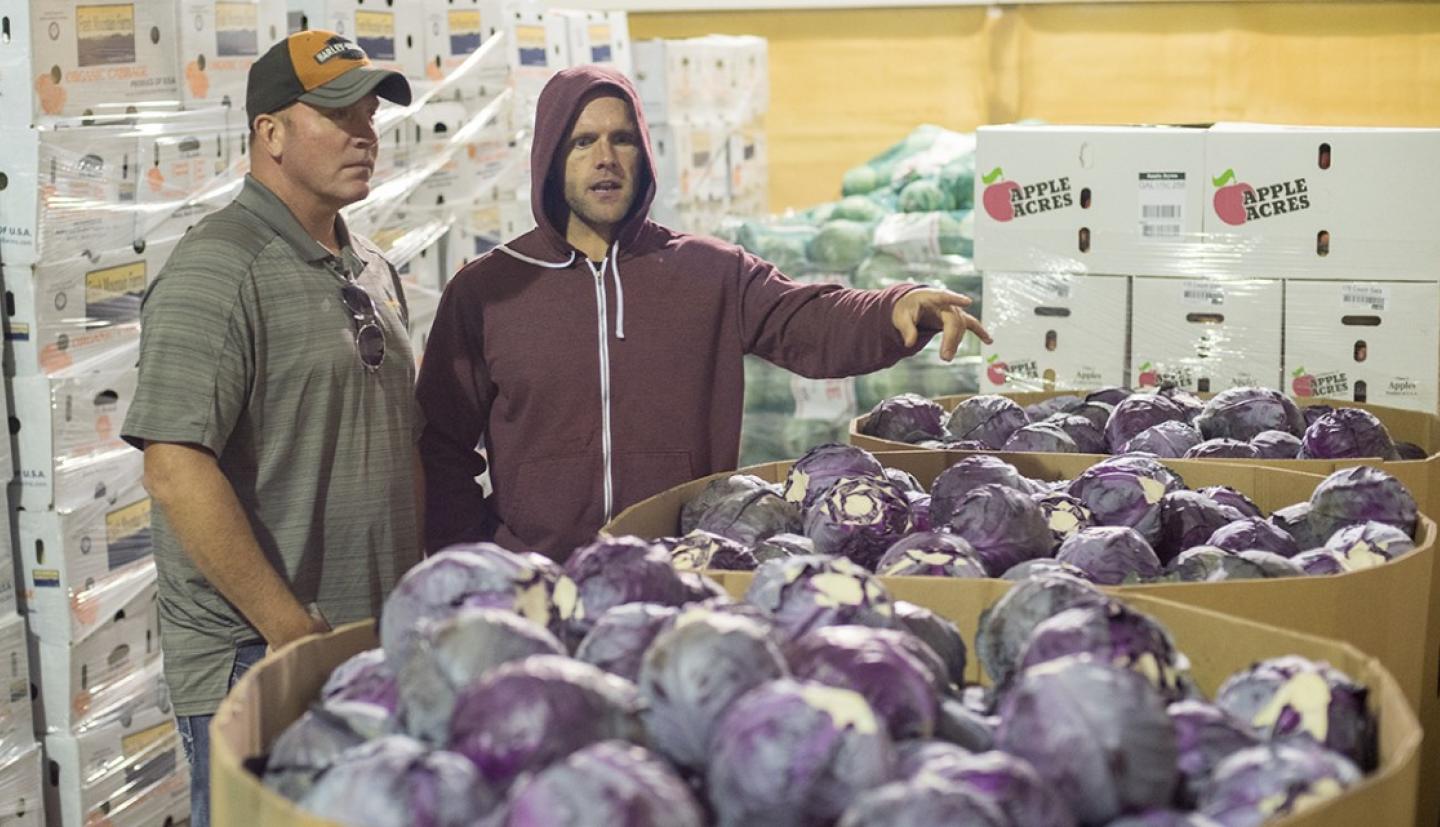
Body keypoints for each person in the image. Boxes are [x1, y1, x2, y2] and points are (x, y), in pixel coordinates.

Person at [417, 65, 989, 560]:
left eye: (622, 140)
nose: (605, 159)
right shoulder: (488, 289)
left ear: (644, 153)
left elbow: (808, 319)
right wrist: (476, 552)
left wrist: (893, 307)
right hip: (537, 577)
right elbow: (440, 443)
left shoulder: (708, 272)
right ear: (549, 157)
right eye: (583, 142)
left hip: (683, 567)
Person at [121, 31, 421, 827]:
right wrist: (289, 629)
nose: (364, 133)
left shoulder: (371, 268)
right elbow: (174, 468)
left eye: (369, 114)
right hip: (264, 657)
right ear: (271, 133)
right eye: (338, 114)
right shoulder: (217, 268)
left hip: (361, 647)